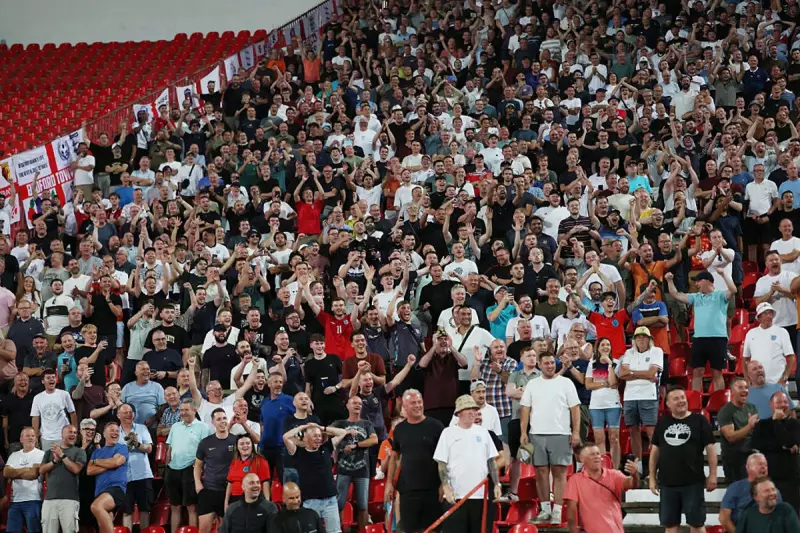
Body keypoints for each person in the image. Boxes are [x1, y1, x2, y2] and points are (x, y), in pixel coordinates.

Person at [519, 351, 581, 525]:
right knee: (540, 473)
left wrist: (576, 432)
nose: (550, 366)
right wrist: (523, 432)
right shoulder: (533, 384)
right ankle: (545, 510)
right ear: (539, 365)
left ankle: (557, 511)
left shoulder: (566, 383)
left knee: (560, 473)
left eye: (552, 363)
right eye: (546, 363)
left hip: (561, 433)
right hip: (537, 434)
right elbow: (525, 408)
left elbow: (575, 409)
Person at [649, 387, 718, 533]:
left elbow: (711, 449)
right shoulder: (663, 423)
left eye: (682, 397)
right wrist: (652, 478)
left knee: (697, 524)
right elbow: (655, 451)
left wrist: (713, 474)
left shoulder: (700, 420)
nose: (681, 401)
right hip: (667, 483)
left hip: (693, 482)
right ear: (668, 404)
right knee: (670, 525)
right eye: (676, 399)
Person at [434, 394, 500, 533]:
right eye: (468, 409)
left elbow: (491, 461)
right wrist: (446, 486)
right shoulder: (448, 433)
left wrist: (497, 484)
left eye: (474, 409)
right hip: (456, 495)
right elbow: (441, 462)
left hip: (480, 495)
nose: (472, 412)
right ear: (459, 413)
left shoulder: (484, 433)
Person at [384, 388, 445, 533]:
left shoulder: (437, 426)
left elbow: (445, 457)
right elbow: (394, 457)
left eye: (419, 402)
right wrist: (389, 483)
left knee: (433, 529)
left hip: (432, 489)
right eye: (413, 403)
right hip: (408, 490)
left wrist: (444, 483)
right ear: (404, 406)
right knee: (409, 529)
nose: (418, 405)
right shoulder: (399, 429)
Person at [666, 270, 736, 392]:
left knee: (717, 372)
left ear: (707, 281)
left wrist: (723, 275)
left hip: (718, 339)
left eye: (698, 281)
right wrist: (669, 281)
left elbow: (733, 290)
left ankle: (717, 401)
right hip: (699, 339)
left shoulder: (720, 295)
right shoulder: (696, 297)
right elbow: (675, 294)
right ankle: (695, 400)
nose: (696, 284)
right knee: (697, 371)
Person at [283, 422, 350, 533]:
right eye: (315, 436)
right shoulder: (298, 452)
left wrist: (322, 428)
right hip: (310, 502)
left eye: (320, 436)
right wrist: (303, 427)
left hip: (330, 501)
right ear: (306, 437)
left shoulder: (326, 448)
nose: (318, 438)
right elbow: (286, 437)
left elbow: (342, 432)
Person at [564, 444, 640, 533]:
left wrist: (635, 475)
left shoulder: (614, 475)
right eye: (592, 454)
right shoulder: (575, 480)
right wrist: (573, 528)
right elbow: (571, 508)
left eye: (598, 454)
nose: (596, 457)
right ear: (582, 459)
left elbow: (633, 485)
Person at [618, 326, 663, 472]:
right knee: (633, 431)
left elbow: (651, 373)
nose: (641, 339)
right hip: (630, 397)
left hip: (648, 396)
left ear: (649, 339)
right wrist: (644, 374)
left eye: (644, 337)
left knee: (651, 432)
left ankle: (657, 468)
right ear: (634, 340)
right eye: (638, 337)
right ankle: (638, 468)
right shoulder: (628, 352)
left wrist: (631, 373)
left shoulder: (656, 351)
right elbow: (622, 374)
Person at [331, 395, 378, 531]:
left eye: (359, 404)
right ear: (347, 406)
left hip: (362, 470)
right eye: (354, 403)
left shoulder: (367, 424)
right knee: (339, 504)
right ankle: (339, 530)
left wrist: (356, 445)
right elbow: (327, 432)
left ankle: (363, 531)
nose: (358, 405)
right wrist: (345, 433)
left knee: (363, 505)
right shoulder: (340, 423)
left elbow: (374, 440)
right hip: (343, 469)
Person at [165, 398, 212, 533]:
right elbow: (170, 449)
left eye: (186, 410)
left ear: (194, 410)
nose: (183, 413)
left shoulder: (203, 427)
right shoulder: (175, 426)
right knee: (174, 506)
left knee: (191, 507)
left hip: (191, 469)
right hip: (172, 470)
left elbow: (206, 451)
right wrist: (167, 467)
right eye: (181, 410)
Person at [751, 391, 800, 513]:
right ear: (771, 404)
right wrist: (781, 446)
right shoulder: (762, 424)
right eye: (779, 402)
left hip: (790, 478)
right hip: (768, 478)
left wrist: (776, 422)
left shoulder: (795, 424)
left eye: (785, 402)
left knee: (790, 512)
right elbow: (757, 445)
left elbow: (788, 442)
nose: (783, 405)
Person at [195, 408, 237, 533]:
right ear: (213, 422)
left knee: (224, 529)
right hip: (209, 490)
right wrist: (198, 483)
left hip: (229, 491)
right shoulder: (205, 442)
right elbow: (197, 465)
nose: (222, 421)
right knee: (204, 529)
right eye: (218, 419)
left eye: (224, 418)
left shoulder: (236, 441)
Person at [39, 424, 87, 533]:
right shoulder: (50, 452)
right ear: (62, 434)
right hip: (50, 499)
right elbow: (41, 470)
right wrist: (54, 461)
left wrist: (62, 455)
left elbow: (76, 469)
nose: (73, 435)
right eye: (70, 432)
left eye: (75, 433)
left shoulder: (79, 452)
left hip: (70, 500)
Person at [719, 453, 781, 531]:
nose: (764, 467)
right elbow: (724, 518)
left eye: (765, 465)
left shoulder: (774, 491)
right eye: (760, 464)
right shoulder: (736, 487)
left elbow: (779, 518)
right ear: (748, 467)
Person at [87, 421, 130, 533]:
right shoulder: (97, 452)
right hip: (100, 491)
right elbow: (89, 470)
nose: (115, 433)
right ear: (104, 434)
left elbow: (116, 462)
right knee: (103, 527)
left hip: (116, 488)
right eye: (112, 430)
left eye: (117, 431)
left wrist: (96, 462)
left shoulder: (122, 447)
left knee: (96, 506)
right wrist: (110, 464)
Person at [117, 403, 154, 530]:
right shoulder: (115, 431)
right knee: (127, 510)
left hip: (143, 474)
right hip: (124, 477)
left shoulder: (142, 428)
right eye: (125, 412)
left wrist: (137, 444)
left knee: (145, 509)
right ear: (118, 415)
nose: (129, 414)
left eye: (130, 412)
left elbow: (149, 448)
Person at [4, 426, 45, 533]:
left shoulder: (42, 454)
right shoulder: (14, 455)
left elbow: (33, 474)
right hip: (15, 501)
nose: (31, 438)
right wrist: (26, 469)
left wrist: (15, 472)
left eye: (33, 436)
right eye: (27, 436)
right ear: (21, 439)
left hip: (34, 499)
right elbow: (6, 472)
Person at [743, 302, 795, 385]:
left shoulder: (782, 332)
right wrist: (747, 378)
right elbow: (745, 359)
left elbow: (791, 358)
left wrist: (785, 377)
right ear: (759, 317)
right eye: (765, 313)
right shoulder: (750, 333)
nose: (769, 316)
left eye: (770, 313)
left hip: (778, 382)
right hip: (757, 383)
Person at [718, 377, 759, 483]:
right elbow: (730, 437)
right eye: (740, 387)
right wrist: (749, 426)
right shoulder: (726, 411)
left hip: (751, 455)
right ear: (732, 391)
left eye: (746, 387)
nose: (744, 390)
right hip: (734, 460)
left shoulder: (752, 408)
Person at [31, 368, 77, 450]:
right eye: (48, 378)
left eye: (53, 377)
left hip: (63, 436)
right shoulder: (37, 398)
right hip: (46, 437)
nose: (51, 379)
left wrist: (74, 433)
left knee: (65, 457)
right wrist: (35, 436)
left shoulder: (64, 394)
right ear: (43, 381)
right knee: (47, 458)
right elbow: (35, 418)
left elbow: (72, 413)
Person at [735, 477, 800, 532]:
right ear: (756, 497)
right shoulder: (748, 514)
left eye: (773, 489)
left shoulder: (785, 510)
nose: (772, 493)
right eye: (766, 491)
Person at [226, 434, 271, 510]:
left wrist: (267, 504)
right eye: (242, 444)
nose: (245, 446)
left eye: (248, 443)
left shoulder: (261, 461)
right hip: (234, 499)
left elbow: (265, 483)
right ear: (237, 447)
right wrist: (226, 503)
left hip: (253, 498)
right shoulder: (234, 462)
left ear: (252, 445)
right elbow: (230, 483)